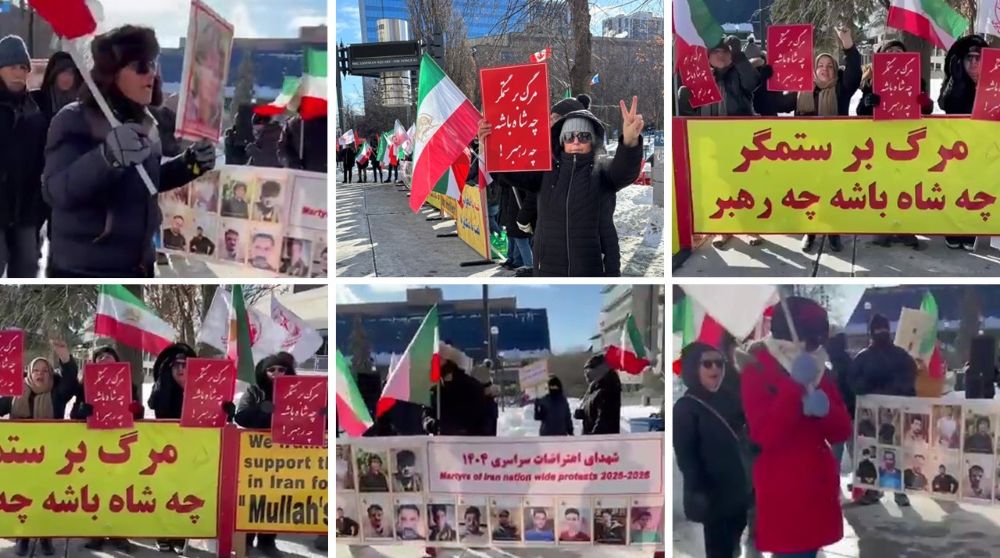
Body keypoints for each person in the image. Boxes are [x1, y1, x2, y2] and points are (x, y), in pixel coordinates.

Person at [42, 26, 215, 278]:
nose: (151, 74)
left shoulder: (147, 123)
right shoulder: (74, 119)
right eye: (139, 66)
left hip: (137, 266)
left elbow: (146, 181)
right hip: (85, 270)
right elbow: (55, 191)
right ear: (112, 73)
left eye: (153, 64)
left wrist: (190, 165)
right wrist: (107, 158)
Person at [479, 96, 643, 277]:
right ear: (561, 140)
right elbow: (507, 173)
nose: (576, 142)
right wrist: (488, 144)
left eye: (583, 136)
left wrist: (629, 142)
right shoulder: (545, 172)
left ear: (593, 140)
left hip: (594, 271)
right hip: (548, 270)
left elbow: (625, 170)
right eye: (569, 136)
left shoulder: (602, 171)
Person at [740, 297, 852, 558]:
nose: (818, 346)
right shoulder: (758, 363)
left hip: (817, 487)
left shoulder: (817, 365)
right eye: (813, 338)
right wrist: (793, 388)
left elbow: (841, 431)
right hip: (784, 489)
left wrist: (826, 412)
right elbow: (765, 433)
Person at [678, 36, 764, 249]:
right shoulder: (698, 77)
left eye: (725, 51)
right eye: (716, 51)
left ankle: (750, 226)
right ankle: (722, 228)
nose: (721, 55)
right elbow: (689, 114)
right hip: (709, 141)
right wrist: (684, 102)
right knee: (716, 184)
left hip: (739, 139)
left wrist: (739, 55)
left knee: (744, 183)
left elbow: (752, 82)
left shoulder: (739, 73)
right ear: (707, 57)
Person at [0, 339, 78, 556]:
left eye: (45, 370)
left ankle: (45, 537)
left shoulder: (57, 394)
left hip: (52, 457)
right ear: (29, 373)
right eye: (36, 370)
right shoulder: (15, 393)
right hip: (21, 459)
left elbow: (71, 381)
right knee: (22, 496)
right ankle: (22, 537)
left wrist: (65, 357)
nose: (40, 374)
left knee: (47, 496)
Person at [787, 28, 861, 254]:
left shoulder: (842, 89)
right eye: (821, 66)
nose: (825, 70)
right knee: (810, 192)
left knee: (833, 192)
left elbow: (854, 73)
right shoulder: (802, 89)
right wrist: (768, 78)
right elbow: (771, 106)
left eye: (830, 66)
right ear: (814, 69)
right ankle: (810, 232)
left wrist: (847, 44)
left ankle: (834, 233)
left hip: (836, 152)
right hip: (807, 153)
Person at [674, 342, 751, 558]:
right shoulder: (685, 407)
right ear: (692, 368)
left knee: (734, 550)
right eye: (707, 364)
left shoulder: (729, 398)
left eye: (719, 363)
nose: (715, 369)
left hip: (738, 495)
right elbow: (686, 457)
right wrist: (700, 494)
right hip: (714, 500)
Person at [856, 39, 932, 250]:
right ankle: (883, 228)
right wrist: (868, 102)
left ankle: (905, 227)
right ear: (881, 57)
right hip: (880, 143)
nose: (895, 55)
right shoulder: (870, 81)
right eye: (890, 51)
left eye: (899, 51)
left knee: (906, 185)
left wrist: (925, 103)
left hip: (907, 141)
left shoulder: (917, 79)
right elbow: (860, 114)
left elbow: (926, 112)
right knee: (882, 185)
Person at [850, 312, 917, 506]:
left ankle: (898, 490)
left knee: (896, 452)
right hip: (871, 417)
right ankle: (874, 490)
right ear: (871, 333)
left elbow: (910, 381)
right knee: (872, 452)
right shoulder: (863, 358)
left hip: (895, 416)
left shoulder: (901, 356)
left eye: (883, 329)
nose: (881, 333)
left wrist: (894, 390)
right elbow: (853, 385)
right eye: (878, 330)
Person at [0, 35, 48, 278]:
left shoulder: (35, 112)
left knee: (27, 268)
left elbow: (42, 161)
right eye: (12, 67)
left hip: (26, 210)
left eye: (23, 68)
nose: (19, 73)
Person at [147, 342, 196, 553]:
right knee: (164, 489)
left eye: (185, 364)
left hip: (191, 447)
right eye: (176, 364)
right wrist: (171, 384)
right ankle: (163, 532)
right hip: (164, 449)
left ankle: (179, 534)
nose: (181, 368)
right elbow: (155, 405)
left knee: (184, 490)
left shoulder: (199, 385)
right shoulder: (162, 384)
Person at [938, 34, 985, 250]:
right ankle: (954, 230)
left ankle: (973, 230)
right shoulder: (954, 78)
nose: (974, 63)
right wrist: (956, 82)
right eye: (969, 58)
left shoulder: (994, 82)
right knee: (957, 188)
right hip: (957, 148)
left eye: (978, 58)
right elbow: (945, 104)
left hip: (985, 148)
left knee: (979, 187)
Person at [423, 344, 489, 436]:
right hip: (441, 446)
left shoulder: (472, 387)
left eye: (438, 360)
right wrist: (431, 424)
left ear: (450, 362)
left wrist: (451, 426)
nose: (434, 365)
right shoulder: (435, 390)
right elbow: (427, 415)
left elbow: (478, 419)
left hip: (467, 446)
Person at [827, 332, 855, 470]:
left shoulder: (832, 367)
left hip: (838, 413)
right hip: (851, 412)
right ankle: (859, 487)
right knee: (854, 452)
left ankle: (835, 484)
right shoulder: (849, 362)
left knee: (836, 454)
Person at [575, 354, 622, 435]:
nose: (586, 375)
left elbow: (605, 419)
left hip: (602, 442)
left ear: (599, 370)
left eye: (588, 371)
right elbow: (594, 411)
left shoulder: (608, 389)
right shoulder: (594, 388)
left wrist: (594, 438)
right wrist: (584, 413)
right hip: (593, 440)